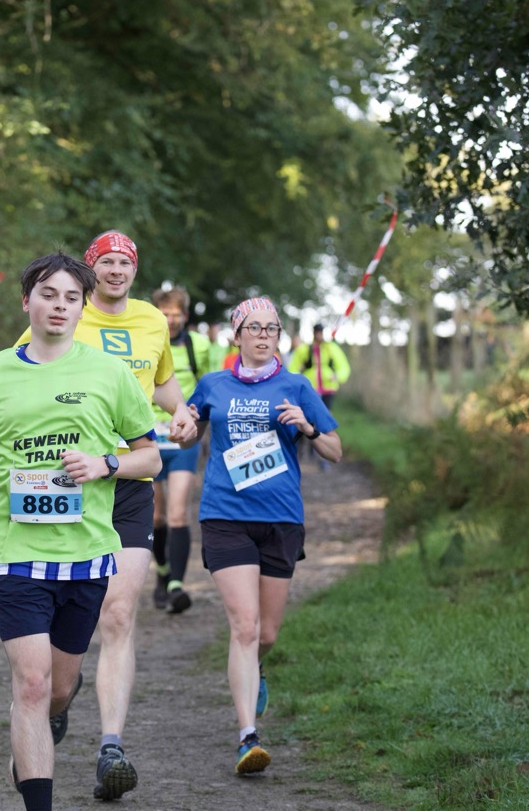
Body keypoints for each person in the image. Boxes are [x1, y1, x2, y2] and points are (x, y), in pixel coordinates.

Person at [0, 253, 161, 811]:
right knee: (32, 684)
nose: (60, 306)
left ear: (82, 308)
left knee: (59, 689)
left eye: (71, 298)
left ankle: (39, 731)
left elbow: (150, 457)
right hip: (13, 552)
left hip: (86, 553)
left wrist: (105, 464)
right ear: (27, 301)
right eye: (48, 295)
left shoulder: (108, 373)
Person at [17, 230, 196, 801]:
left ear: (135, 271)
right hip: (68, 482)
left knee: (118, 614)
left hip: (129, 477)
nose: (117, 270)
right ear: (91, 269)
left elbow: (162, 383)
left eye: (126, 262)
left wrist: (184, 411)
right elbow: (23, 373)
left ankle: (111, 747)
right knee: (63, 624)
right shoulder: (64, 307)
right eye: (107, 262)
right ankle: (55, 700)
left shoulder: (151, 321)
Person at [185, 297, 342, 776]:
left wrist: (308, 427)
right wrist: (182, 424)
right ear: (237, 335)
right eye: (254, 328)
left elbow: (335, 450)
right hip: (225, 514)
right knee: (246, 626)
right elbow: (187, 432)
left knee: (266, 634)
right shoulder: (213, 384)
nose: (263, 335)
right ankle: (247, 736)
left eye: (272, 328)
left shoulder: (296, 386)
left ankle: (254, 667)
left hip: (280, 518)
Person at [148, 287, 220, 614]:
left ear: (185, 316)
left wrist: (198, 419)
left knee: (178, 512)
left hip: (182, 440)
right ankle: (162, 572)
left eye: (176, 314)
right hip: (146, 440)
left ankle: (177, 585)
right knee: (156, 516)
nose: (170, 320)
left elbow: (211, 386)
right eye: (164, 314)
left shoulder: (199, 346)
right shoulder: (144, 342)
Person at [287, 323, 350, 469]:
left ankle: (322, 457)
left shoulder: (331, 348)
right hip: (310, 391)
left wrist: (337, 376)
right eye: (316, 332)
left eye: (320, 332)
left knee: (324, 423)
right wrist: (299, 381)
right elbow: (293, 367)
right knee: (305, 421)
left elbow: (343, 366)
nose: (318, 335)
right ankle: (302, 451)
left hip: (328, 389)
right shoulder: (304, 349)